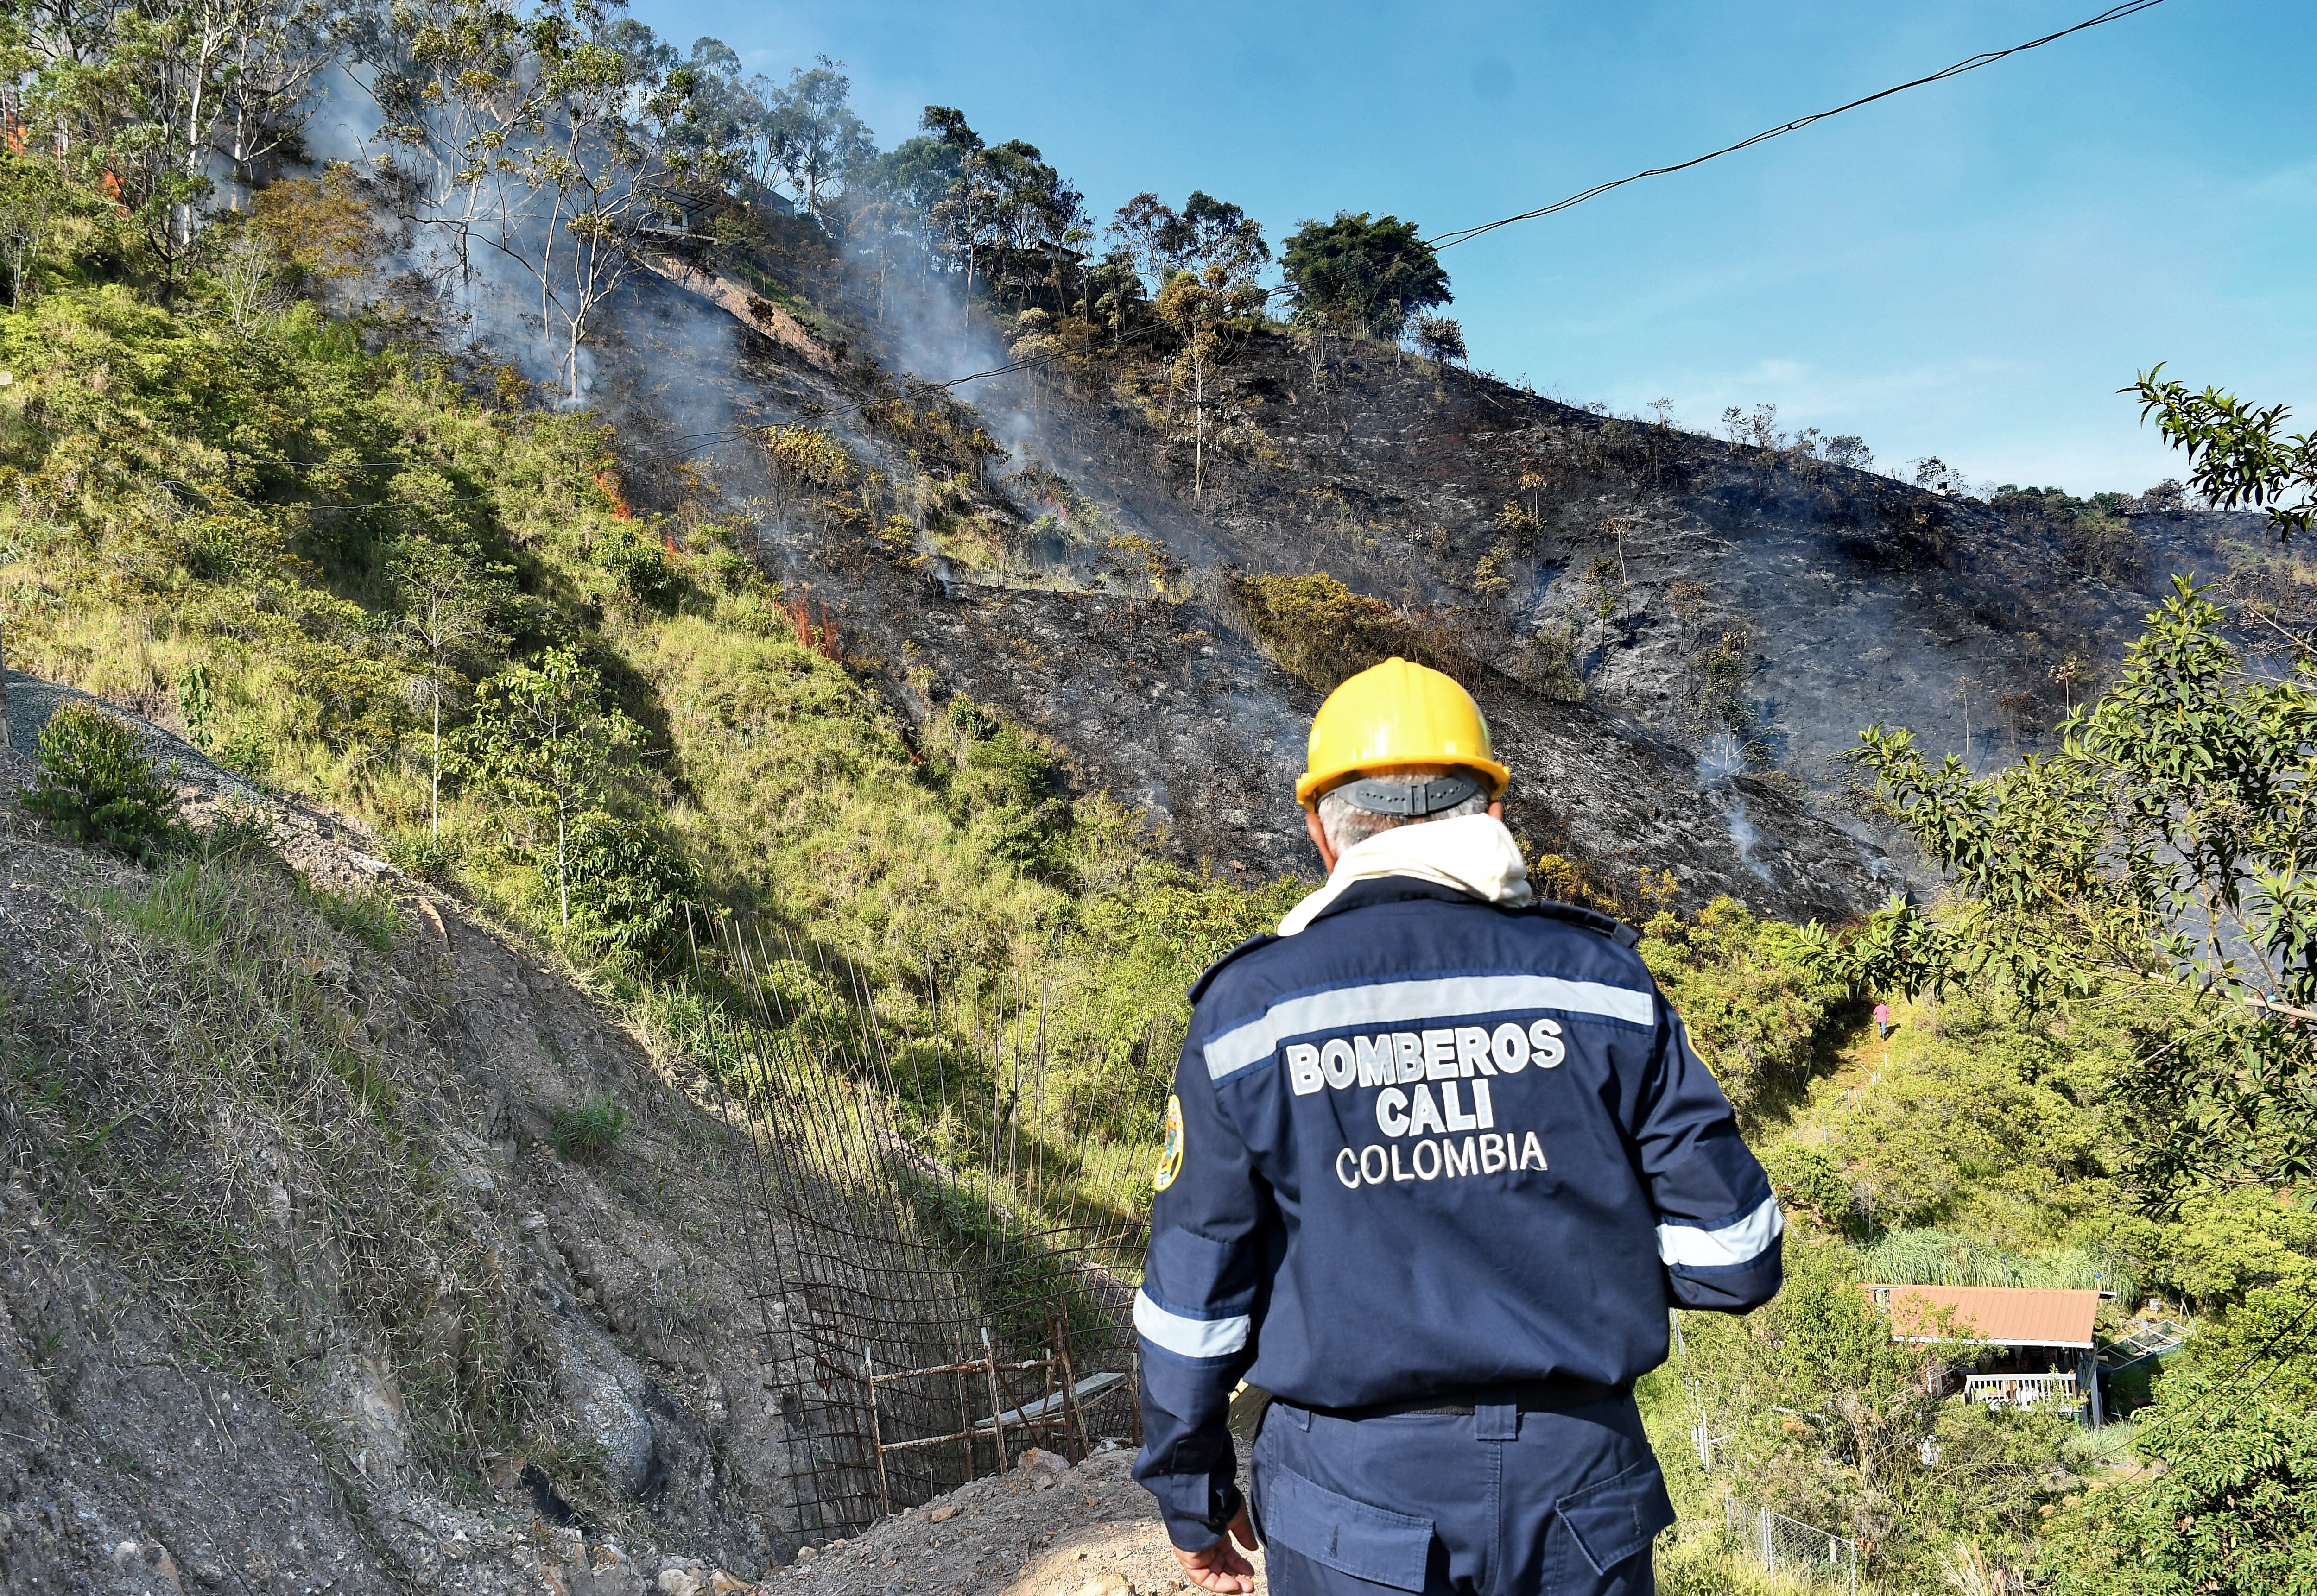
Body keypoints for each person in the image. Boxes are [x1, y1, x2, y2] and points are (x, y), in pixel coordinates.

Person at [1131, 657, 1785, 1595]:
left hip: (1351, 1503)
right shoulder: (1601, 986)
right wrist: (1573, 1267)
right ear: (1492, 810)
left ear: (1320, 828)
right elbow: (1735, 1254)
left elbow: (1195, 1304)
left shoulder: (1248, 1017)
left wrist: (1192, 1498)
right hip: (1580, 1490)